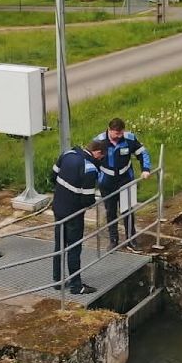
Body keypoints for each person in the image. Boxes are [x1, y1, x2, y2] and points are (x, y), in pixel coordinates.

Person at [51, 138, 106, 294]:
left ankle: (57, 280)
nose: (101, 161)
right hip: (74, 214)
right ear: (97, 153)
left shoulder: (67, 154)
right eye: (101, 158)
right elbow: (87, 199)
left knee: (59, 246)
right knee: (74, 249)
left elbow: (53, 175)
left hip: (58, 207)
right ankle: (76, 285)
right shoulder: (89, 169)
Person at [91, 117, 151, 248]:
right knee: (110, 211)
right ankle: (113, 240)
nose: (118, 136)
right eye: (116, 133)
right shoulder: (99, 141)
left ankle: (131, 239)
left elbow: (142, 153)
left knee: (128, 210)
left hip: (126, 179)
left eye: (120, 133)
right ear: (109, 130)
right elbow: (91, 159)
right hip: (107, 181)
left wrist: (145, 169)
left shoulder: (129, 138)